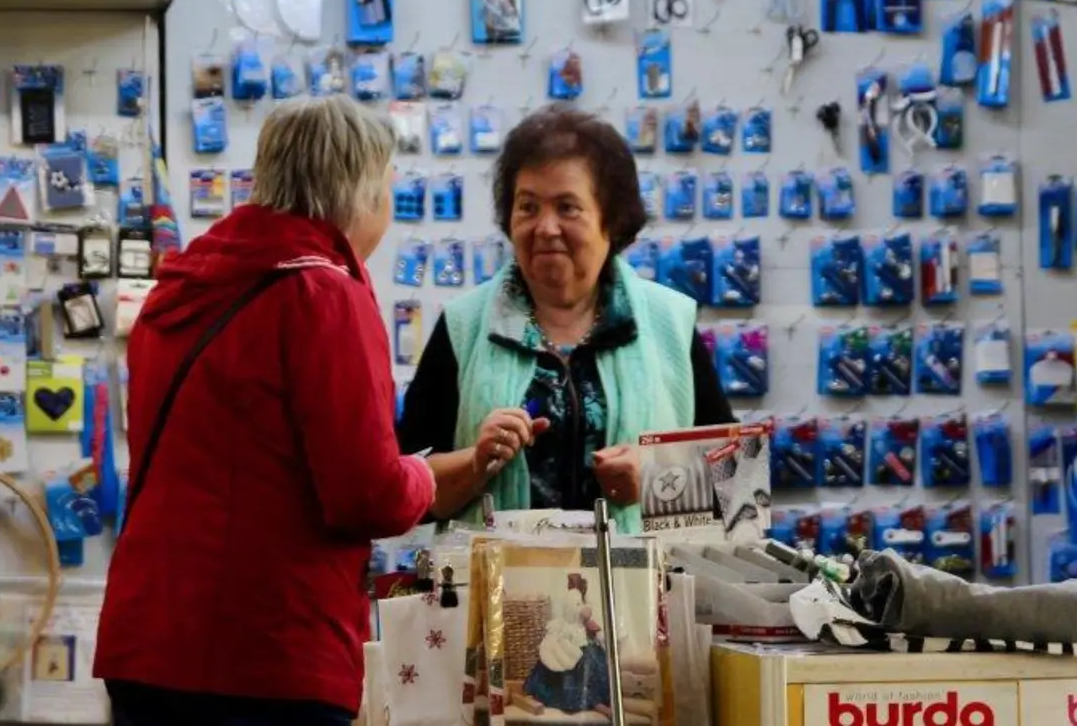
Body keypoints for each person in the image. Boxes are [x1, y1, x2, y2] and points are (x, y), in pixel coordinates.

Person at [95, 97, 435, 726]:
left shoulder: (179, 289)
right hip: (270, 653)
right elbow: (367, 495)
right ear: (362, 190)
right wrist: (425, 474)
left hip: (145, 645)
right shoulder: (323, 291)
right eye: (390, 187)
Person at [397, 106, 734, 534]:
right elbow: (405, 488)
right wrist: (475, 463)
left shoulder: (669, 321)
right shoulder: (465, 325)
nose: (545, 227)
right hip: (500, 596)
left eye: (567, 207)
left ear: (610, 220)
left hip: (639, 595)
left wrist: (654, 480)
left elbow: (738, 486)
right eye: (528, 206)